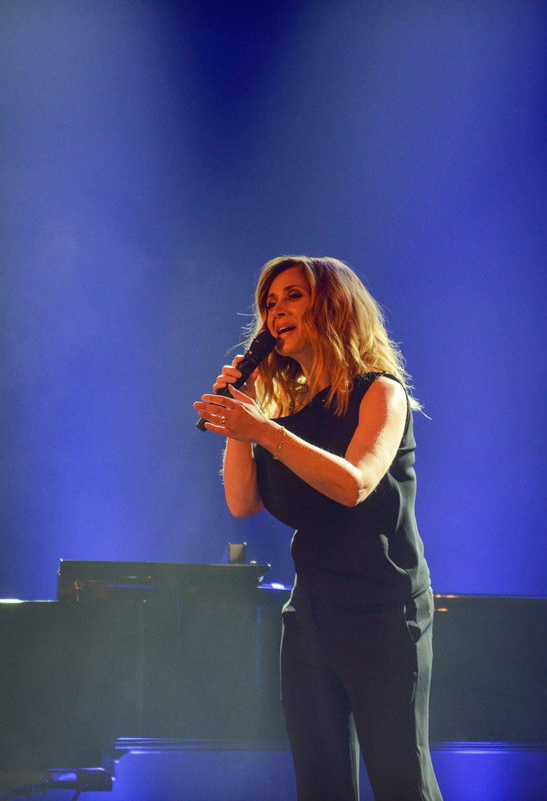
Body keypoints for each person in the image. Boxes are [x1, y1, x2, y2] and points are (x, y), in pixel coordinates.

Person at [194, 256, 443, 801]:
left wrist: (265, 432)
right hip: (310, 615)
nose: (275, 312)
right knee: (319, 784)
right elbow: (242, 503)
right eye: (269, 303)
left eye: (293, 296)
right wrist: (240, 420)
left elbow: (354, 484)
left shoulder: (380, 393)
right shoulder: (286, 414)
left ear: (333, 306)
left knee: (401, 780)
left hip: (383, 612)